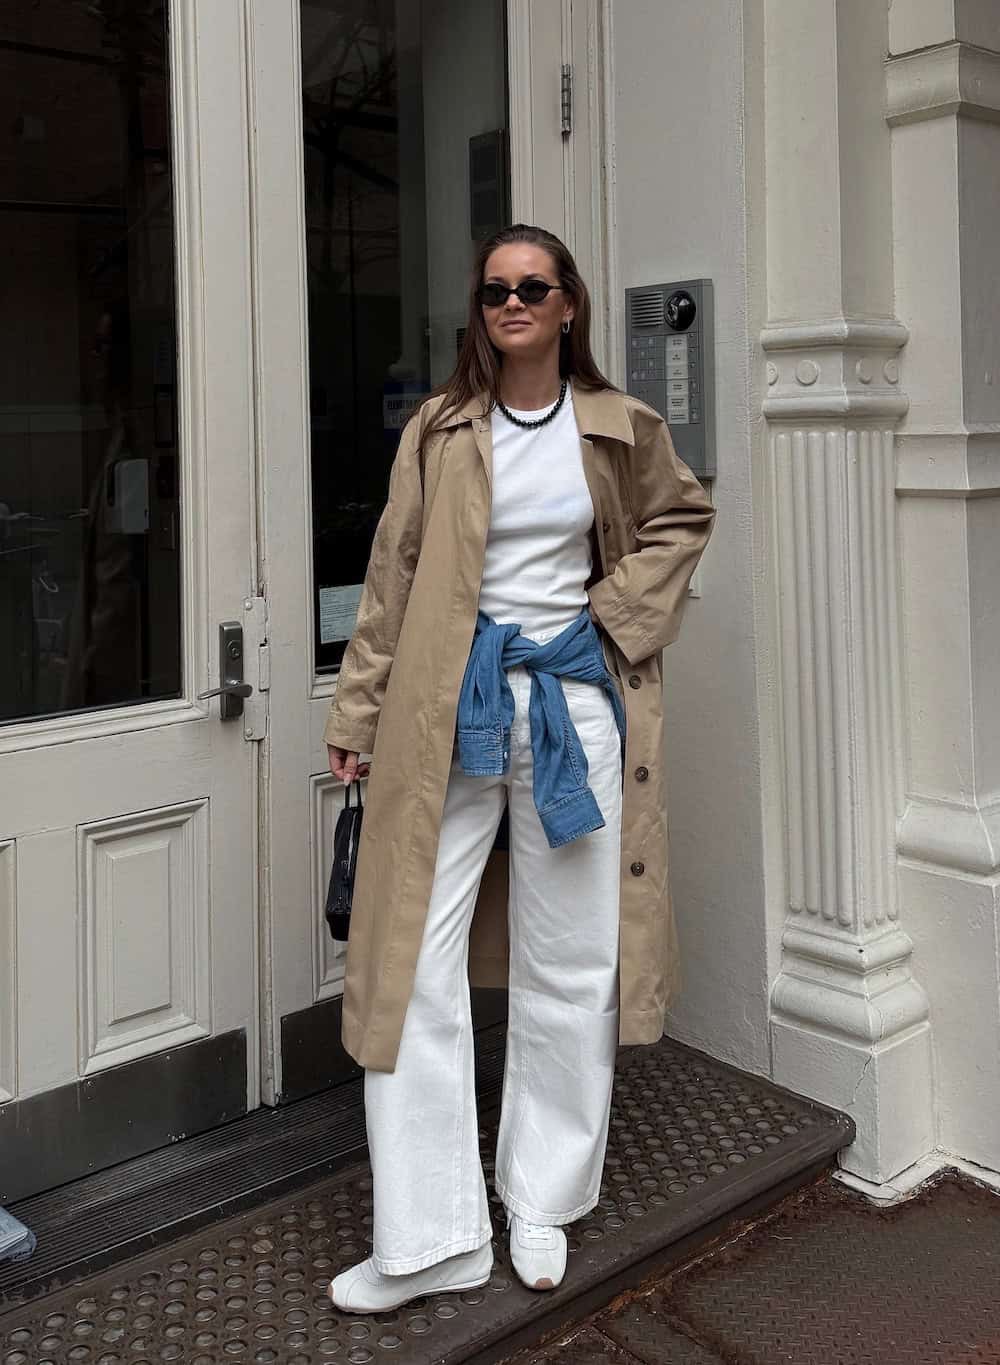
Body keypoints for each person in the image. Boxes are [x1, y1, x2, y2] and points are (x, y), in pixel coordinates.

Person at [324, 224, 715, 1313]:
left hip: (572, 711)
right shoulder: (440, 428)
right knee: (408, 959)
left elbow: (682, 518)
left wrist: (611, 616)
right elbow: (393, 575)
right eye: (496, 289)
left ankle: (540, 1198)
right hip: (447, 712)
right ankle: (430, 1238)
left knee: (571, 958)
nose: (512, 303)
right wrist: (357, 709)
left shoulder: (619, 425)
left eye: (533, 287)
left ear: (567, 304)